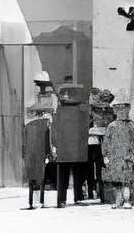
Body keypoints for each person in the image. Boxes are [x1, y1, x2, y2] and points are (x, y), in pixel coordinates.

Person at [51, 77, 91, 206]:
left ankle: (61, 199)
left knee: (63, 174)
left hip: (64, 148)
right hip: (77, 148)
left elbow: (54, 130)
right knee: (78, 172)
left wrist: (55, 146)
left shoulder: (59, 112)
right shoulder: (82, 111)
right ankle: (78, 197)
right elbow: (86, 128)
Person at [97, 104, 134, 209]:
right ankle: (120, 201)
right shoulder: (119, 126)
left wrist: (105, 155)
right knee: (120, 181)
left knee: (123, 181)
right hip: (117, 157)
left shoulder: (124, 126)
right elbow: (106, 142)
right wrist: (105, 155)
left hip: (124, 157)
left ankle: (124, 201)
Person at [20, 78, 56, 209]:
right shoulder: (43, 124)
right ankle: (38, 200)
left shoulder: (28, 125)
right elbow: (48, 140)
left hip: (31, 153)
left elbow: (24, 140)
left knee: (32, 178)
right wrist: (49, 152)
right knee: (39, 176)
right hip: (39, 152)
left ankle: (33, 201)